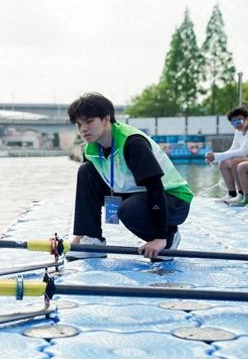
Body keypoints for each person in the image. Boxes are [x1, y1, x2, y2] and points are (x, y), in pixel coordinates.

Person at [68, 92, 193, 259]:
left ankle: (170, 237)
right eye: (78, 124)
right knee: (86, 171)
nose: (83, 129)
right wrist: (80, 235)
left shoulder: (132, 143)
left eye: (89, 121)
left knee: (128, 210)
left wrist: (160, 237)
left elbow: (155, 187)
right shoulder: (91, 149)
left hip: (172, 199)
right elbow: (90, 189)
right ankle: (92, 240)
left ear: (106, 119)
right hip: (136, 193)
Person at [204, 106, 248, 205]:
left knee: (236, 161)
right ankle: (232, 194)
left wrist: (217, 155)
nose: (237, 124)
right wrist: (215, 158)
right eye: (234, 122)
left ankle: (241, 194)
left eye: (239, 121)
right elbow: (233, 150)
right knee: (223, 162)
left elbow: (244, 151)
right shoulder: (238, 132)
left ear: (247, 119)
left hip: (245, 157)